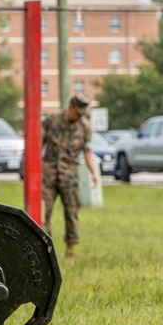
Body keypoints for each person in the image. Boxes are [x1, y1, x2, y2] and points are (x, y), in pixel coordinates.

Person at [42, 93, 98, 266]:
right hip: (48, 175)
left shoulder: (84, 128)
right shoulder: (52, 121)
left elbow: (87, 152)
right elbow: (38, 143)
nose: (79, 116)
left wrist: (93, 173)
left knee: (71, 214)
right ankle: (45, 252)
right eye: (78, 112)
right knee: (43, 214)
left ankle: (70, 252)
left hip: (70, 176)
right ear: (71, 107)